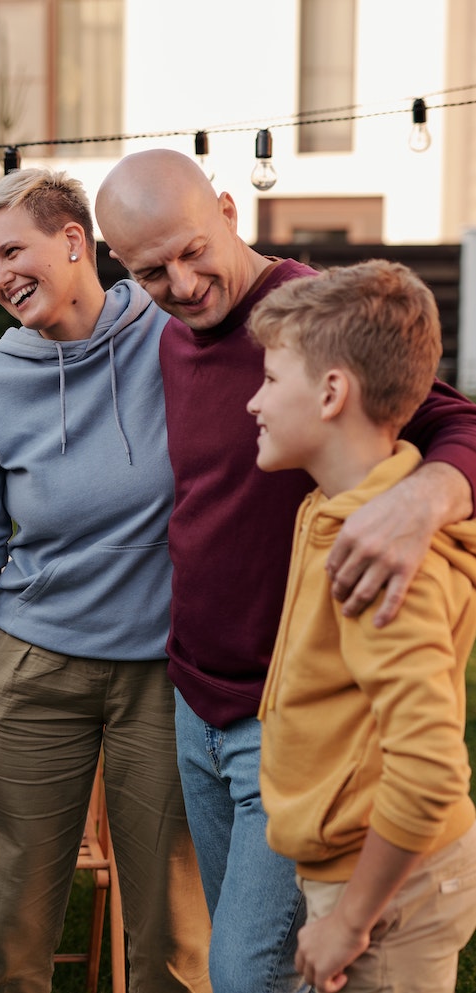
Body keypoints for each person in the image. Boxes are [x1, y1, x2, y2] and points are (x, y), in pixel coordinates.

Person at [94, 148, 476, 993]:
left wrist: (420, 502)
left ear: (228, 210)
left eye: (194, 251)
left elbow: (457, 420)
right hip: (199, 695)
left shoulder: (306, 324)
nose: (184, 284)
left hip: (291, 719)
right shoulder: (170, 335)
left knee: (244, 970)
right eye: (152, 271)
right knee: (257, 955)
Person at [0, 167, 211, 993]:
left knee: (172, 932)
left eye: (11, 250)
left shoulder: (174, 331)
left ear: (73, 241)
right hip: (29, 673)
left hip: (165, 672)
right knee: (6, 932)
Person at [247, 259, 476, 993]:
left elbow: (431, 768)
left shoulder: (376, 561)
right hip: (366, 871)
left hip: (384, 892)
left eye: (270, 379)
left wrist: (349, 918)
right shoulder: (335, 510)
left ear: (330, 392)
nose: (253, 401)